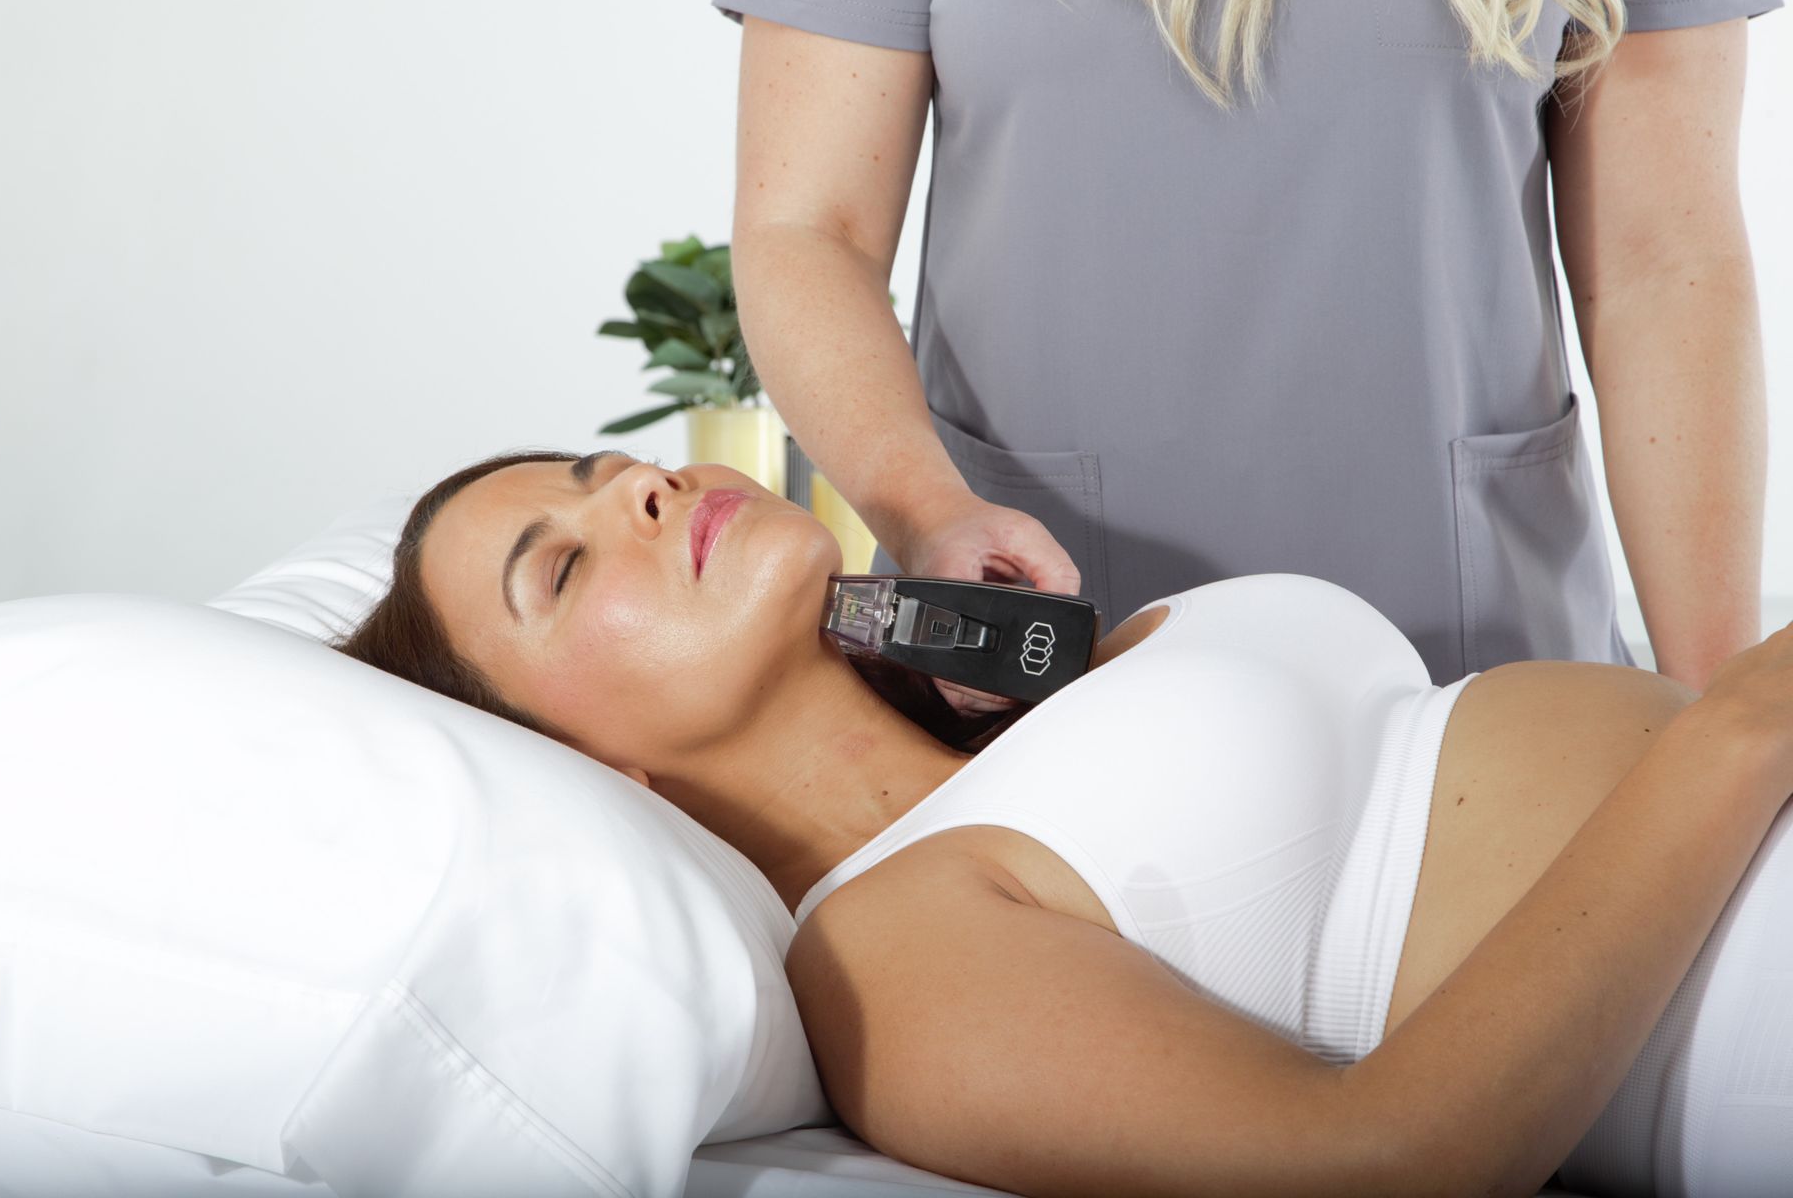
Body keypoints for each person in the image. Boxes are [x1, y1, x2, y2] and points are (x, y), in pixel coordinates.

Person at [336, 449, 1793, 1196]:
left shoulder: (1036, 698)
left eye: (606, 468)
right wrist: (1732, 732)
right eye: (567, 570)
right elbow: (1377, 1165)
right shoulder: (890, 959)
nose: (645, 486)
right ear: (599, 776)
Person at [708, 0, 1778, 715]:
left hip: (1482, 670)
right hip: (1047, 667)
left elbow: (1662, 263)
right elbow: (811, 230)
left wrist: (1723, 718)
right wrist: (924, 509)